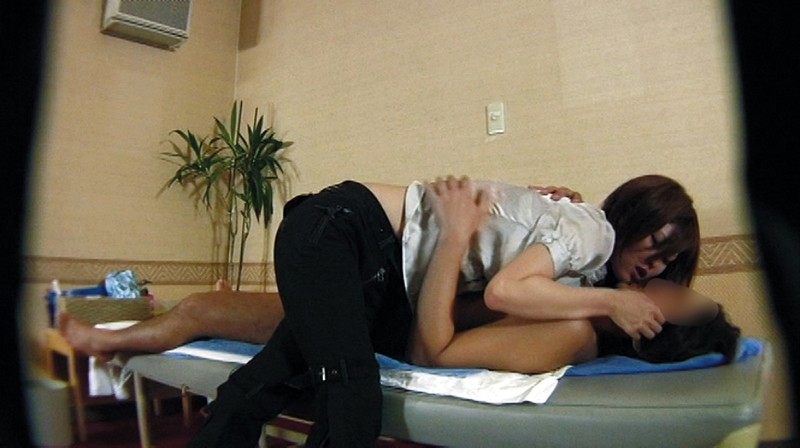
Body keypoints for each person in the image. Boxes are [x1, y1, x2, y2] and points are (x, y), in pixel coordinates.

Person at [188, 173, 706, 447]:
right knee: (352, 404)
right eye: (656, 246)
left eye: (669, 263)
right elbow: (504, 292)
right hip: (347, 230)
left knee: (271, 379)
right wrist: (612, 299)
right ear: (634, 217)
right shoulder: (595, 232)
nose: (656, 267)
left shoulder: (580, 273)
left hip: (377, 269)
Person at [58, 187, 583, 360]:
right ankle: (115, 338)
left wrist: (453, 237)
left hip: (386, 325)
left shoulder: (571, 323)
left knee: (202, 309)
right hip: (384, 301)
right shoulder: (561, 261)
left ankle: (109, 341)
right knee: (202, 307)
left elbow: (434, 348)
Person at [408, 178, 740, 373]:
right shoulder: (581, 286)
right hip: (407, 238)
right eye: (654, 243)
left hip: (399, 265)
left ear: (648, 332)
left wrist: (453, 237)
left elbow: (431, 353)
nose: (660, 276)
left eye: (676, 296)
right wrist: (561, 219)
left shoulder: (574, 331)